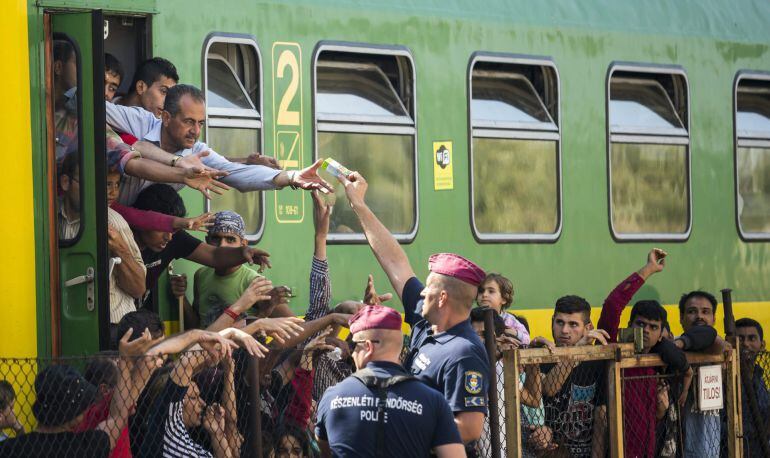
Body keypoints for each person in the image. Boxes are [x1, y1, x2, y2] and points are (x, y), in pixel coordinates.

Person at [337, 171, 490, 451]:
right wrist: (358, 204)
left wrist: (402, 426)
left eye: (428, 287)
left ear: (442, 297)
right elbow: (396, 262)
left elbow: (469, 428)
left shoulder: (463, 353)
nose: (421, 292)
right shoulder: (425, 319)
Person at [106, 84, 333, 205]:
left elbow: (238, 174)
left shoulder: (198, 152)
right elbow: (85, 102)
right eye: (188, 122)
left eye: (200, 123)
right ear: (165, 118)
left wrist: (292, 177)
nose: (195, 130)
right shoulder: (140, 121)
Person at [315, 305, 465, 457]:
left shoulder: (332, 397)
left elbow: (326, 451)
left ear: (368, 347)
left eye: (354, 345)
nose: (353, 353)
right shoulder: (433, 401)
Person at [0, 328, 160, 457]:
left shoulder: (10, 448)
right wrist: (125, 360)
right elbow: (118, 416)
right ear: (71, 414)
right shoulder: (84, 446)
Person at [596, 248, 691, 457]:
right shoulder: (614, 350)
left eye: (653, 327)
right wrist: (648, 269)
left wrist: (660, 412)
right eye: (640, 324)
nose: (646, 330)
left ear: (661, 334)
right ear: (630, 325)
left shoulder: (659, 362)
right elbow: (613, 304)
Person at [129, 184, 270, 307]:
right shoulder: (121, 239)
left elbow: (214, 255)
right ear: (142, 222)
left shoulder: (174, 239)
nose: (169, 236)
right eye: (162, 228)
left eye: (173, 229)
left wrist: (243, 253)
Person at [543, 295, 610, 458]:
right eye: (560, 322)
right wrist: (575, 353)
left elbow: (600, 419)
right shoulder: (542, 355)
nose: (565, 330)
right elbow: (549, 389)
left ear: (588, 328)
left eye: (573, 324)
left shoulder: (597, 363)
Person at [677, 290, 729, 458]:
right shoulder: (673, 348)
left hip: (711, 450)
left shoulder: (721, 349)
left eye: (705, 312)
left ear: (714, 318)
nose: (699, 316)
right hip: (675, 449)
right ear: (681, 318)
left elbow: (712, 339)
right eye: (692, 311)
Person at [193, 211, 261, 327]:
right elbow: (197, 325)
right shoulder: (201, 275)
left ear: (243, 244)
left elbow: (291, 326)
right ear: (207, 241)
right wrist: (181, 296)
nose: (222, 245)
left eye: (230, 240)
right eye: (216, 238)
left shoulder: (253, 281)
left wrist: (265, 312)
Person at [736, 318, 770, 457]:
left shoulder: (760, 378)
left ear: (762, 345)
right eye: (740, 338)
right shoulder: (724, 378)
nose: (745, 343)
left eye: (751, 338)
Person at [476, 273, 530, 345]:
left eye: (491, 291)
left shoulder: (510, 320)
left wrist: (514, 333)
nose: (484, 294)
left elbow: (527, 340)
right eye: (481, 291)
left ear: (504, 299)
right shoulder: (473, 318)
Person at [57, 152, 80, 240]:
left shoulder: (112, 223)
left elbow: (126, 254)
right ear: (65, 182)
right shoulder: (45, 215)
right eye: (86, 183)